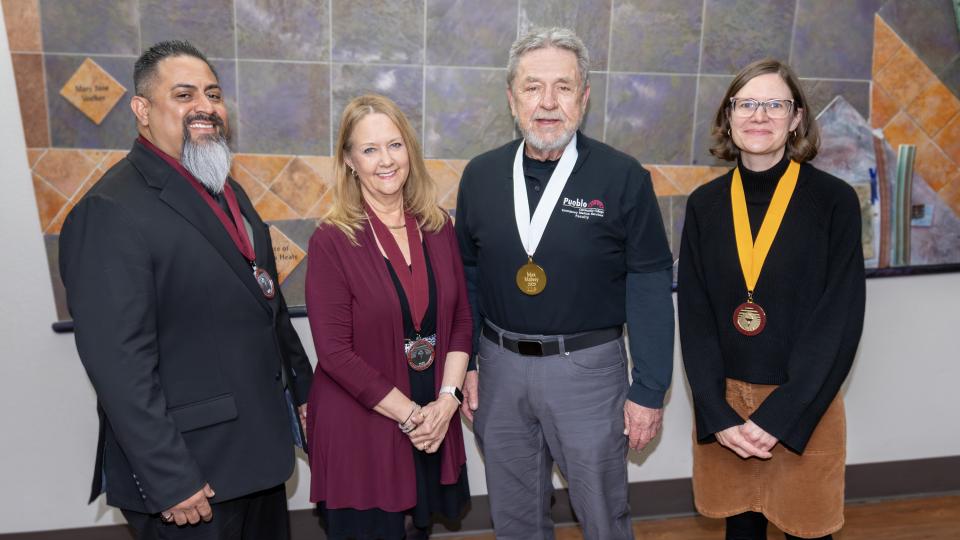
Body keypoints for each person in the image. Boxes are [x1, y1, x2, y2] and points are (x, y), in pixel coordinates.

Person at [59, 41, 313, 538]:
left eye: (213, 94)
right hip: (192, 480)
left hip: (257, 459)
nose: (205, 106)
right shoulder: (111, 210)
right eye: (184, 94)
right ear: (142, 110)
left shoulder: (225, 189)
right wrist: (170, 479)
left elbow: (267, 304)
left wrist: (304, 392)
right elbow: (119, 365)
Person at [454, 27, 675, 540]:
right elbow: (466, 277)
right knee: (515, 517)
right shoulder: (481, 176)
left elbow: (648, 282)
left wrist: (649, 388)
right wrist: (467, 363)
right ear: (512, 98)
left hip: (589, 375)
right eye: (532, 87)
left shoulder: (624, 179)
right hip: (500, 370)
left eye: (564, 87)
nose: (548, 102)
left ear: (585, 96)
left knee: (602, 514)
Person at [677, 58, 866, 540]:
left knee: (810, 531)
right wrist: (716, 414)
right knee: (740, 531)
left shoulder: (834, 202)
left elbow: (839, 321)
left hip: (806, 403)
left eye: (774, 104)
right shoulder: (704, 205)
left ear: (797, 117)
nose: (759, 116)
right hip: (727, 407)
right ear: (729, 116)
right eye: (746, 104)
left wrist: (783, 414)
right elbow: (694, 317)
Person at [305, 94, 472, 540]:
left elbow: (459, 322)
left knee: (419, 531)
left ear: (410, 151)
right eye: (370, 149)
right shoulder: (331, 239)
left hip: (433, 411)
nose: (385, 161)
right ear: (348, 161)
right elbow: (335, 353)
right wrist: (415, 418)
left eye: (394, 145)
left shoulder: (437, 226)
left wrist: (448, 401)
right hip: (363, 424)